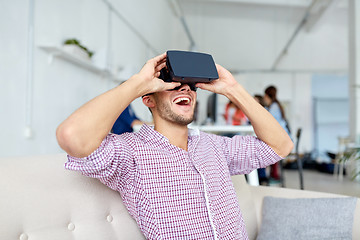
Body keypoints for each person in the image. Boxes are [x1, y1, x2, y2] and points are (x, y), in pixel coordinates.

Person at [56, 53, 293, 239]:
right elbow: (72, 136)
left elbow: (281, 146)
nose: (184, 88)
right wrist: (139, 82)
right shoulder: (130, 153)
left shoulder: (215, 146)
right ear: (148, 98)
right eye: (171, 84)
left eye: (191, 85)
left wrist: (232, 89)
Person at [264, 85, 291, 181]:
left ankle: (269, 176)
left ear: (267, 96)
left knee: (263, 148)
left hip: (282, 139)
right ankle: (269, 175)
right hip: (282, 138)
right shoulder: (275, 105)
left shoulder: (274, 107)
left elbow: (267, 120)